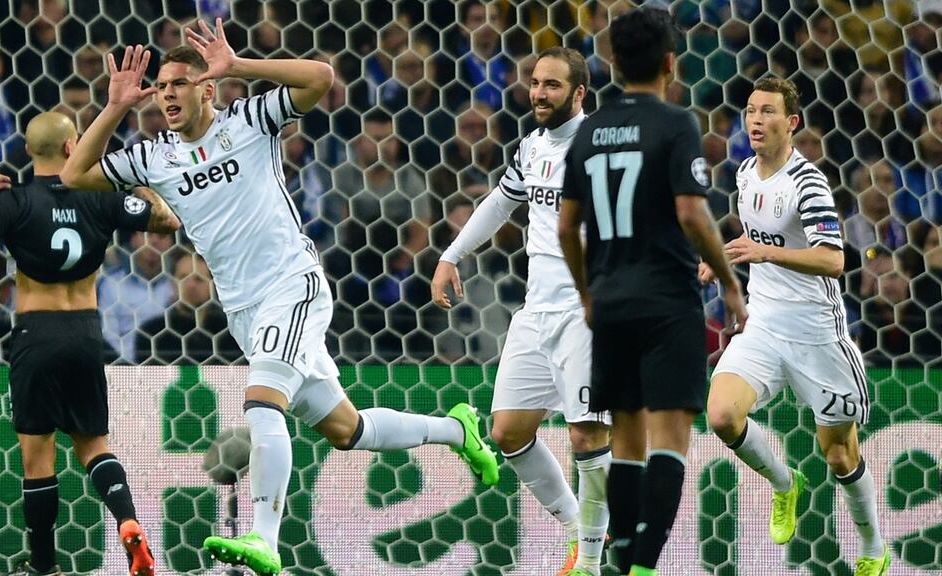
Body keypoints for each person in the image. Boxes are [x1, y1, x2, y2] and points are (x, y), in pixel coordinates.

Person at [58, 22, 499, 576]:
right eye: (160, 86)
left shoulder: (247, 121)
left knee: (262, 404)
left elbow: (320, 77)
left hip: (292, 285)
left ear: (207, 89)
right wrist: (116, 105)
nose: (166, 94)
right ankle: (457, 429)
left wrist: (239, 65)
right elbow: (74, 174)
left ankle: (265, 540)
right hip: (243, 309)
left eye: (178, 83)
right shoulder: (153, 157)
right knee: (348, 430)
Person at [0, 111, 181, 576]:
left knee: (37, 458)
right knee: (94, 446)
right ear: (74, 148)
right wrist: (136, 179)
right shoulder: (99, 197)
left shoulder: (15, 203)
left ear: (29, 152)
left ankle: (45, 567)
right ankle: (128, 521)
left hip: (36, 332)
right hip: (87, 333)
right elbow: (166, 220)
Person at [558, 8, 746, 576]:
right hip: (667, 302)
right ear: (671, 62)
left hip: (611, 303)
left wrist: (589, 294)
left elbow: (567, 226)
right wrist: (730, 282)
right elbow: (692, 212)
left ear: (612, 62)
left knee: (626, 444)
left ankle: (620, 563)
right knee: (670, 443)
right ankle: (643, 568)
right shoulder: (674, 123)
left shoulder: (589, 129)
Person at [432, 46, 611, 576]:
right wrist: (451, 255)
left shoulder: (599, 145)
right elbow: (500, 203)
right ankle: (579, 529)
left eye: (553, 85)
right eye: (536, 83)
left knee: (587, 435)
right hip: (536, 312)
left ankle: (592, 563)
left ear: (579, 93)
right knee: (508, 432)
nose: (539, 93)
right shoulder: (532, 146)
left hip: (587, 310)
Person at [703, 78, 890, 576]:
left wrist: (764, 253)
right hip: (763, 325)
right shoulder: (744, 173)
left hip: (817, 336)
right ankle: (786, 485)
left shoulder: (808, 183)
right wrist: (725, 255)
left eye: (767, 112)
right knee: (721, 415)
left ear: (791, 123)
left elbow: (834, 259)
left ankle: (874, 547)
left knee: (840, 456)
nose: (755, 120)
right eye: (749, 111)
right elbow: (757, 231)